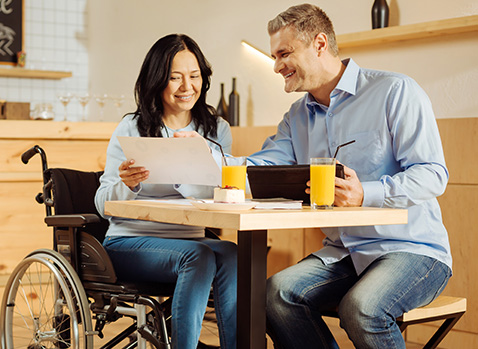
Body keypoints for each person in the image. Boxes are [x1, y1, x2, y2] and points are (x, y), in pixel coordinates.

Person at [246, 4, 452, 349]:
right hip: (344, 252)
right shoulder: (296, 116)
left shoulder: (395, 91)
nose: (277, 65)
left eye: (284, 53)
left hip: (413, 250)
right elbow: (260, 166)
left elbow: (433, 175)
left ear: (320, 44)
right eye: (274, 55)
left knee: (361, 308)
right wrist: (206, 155)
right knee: (275, 295)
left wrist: (365, 193)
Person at [95, 34, 237, 349]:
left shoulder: (216, 131)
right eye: (175, 77)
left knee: (233, 254)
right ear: (157, 80)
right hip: (128, 243)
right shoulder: (131, 128)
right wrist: (127, 184)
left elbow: (220, 193)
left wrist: (195, 165)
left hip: (189, 240)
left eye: (194, 76)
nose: (187, 86)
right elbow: (102, 203)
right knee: (198, 256)